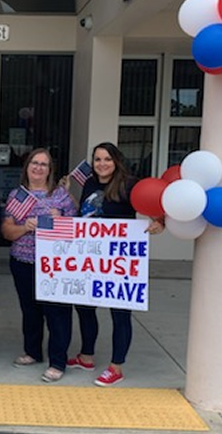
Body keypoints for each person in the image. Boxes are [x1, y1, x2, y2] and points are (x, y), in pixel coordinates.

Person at [64, 142, 164, 386]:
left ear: (116, 160)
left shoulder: (129, 184)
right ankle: (87, 355)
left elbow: (151, 206)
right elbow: (85, 214)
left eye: (107, 159)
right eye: (97, 159)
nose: (102, 164)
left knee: (120, 313)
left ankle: (116, 367)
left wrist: (159, 222)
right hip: (90, 257)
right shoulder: (90, 183)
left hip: (118, 260)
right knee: (85, 307)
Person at [1, 148, 77, 383]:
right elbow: (6, 231)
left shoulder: (61, 196)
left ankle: (57, 361)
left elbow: (76, 229)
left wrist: (60, 218)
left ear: (50, 170)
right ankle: (33, 351)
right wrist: (25, 227)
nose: (38, 167)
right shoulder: (17, 195)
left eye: (44, 164)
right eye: (34, 163)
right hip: (23, 262)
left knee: (57, 313)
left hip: (54, 264)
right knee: (30, 311)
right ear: (27, 167)